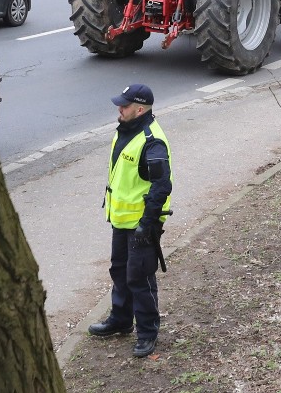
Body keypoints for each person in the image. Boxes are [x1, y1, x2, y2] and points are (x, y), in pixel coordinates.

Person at [88, 84, 173, 358]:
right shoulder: (125, 130)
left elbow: (162, 186)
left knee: (140, 278)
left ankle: (148, 333)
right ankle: (121, 320)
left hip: (141, 225)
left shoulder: (152, 140)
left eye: (124, 106)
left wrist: (147, 224)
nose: (119, 109)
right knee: (120, 271)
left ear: (139, 109)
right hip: (122, 220)